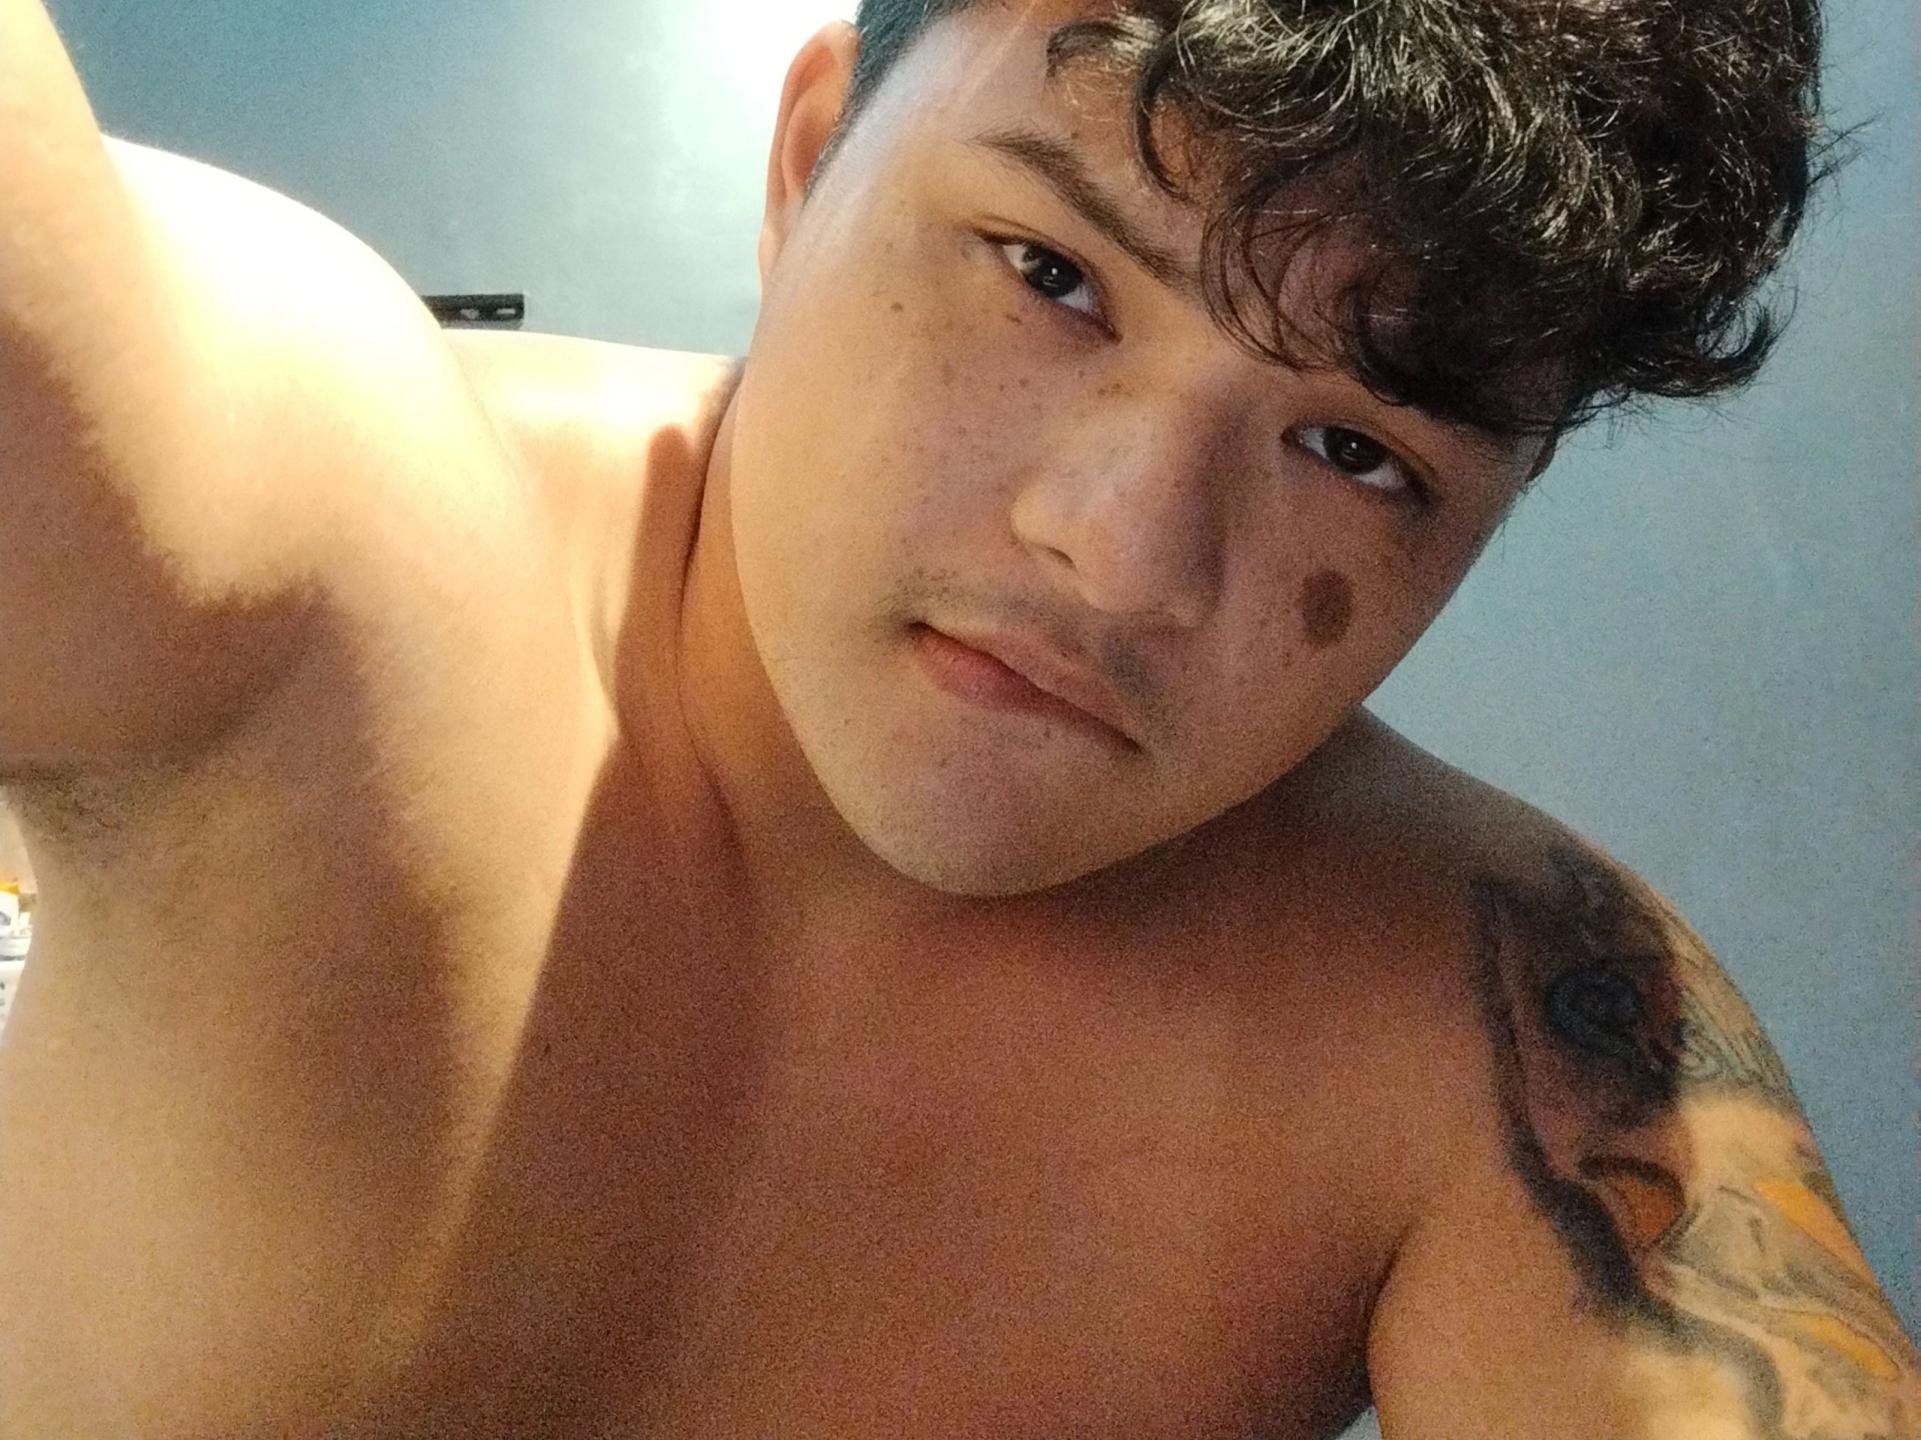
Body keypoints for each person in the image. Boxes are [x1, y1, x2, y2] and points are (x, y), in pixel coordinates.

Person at [0, 0, 1914, 1433]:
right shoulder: (337, 519)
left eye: (1357, 450)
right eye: (1050, 276)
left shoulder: (1495, 1016)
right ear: (805, 160)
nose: (1124, 558)